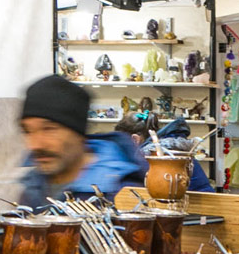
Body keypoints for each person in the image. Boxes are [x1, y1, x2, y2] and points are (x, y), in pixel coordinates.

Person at [18, 75, 148, 207]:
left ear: (78, 133)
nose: (35, 145)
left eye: (49, 129)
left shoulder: (122, 194)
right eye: (27, 131)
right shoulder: (33, 186)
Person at [115, 113, 214, 193]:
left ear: (135, 139)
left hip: (195, 210)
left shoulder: (151, 154)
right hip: (204, 206)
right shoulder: (170, 144)